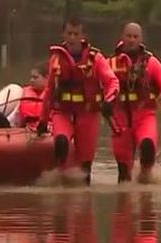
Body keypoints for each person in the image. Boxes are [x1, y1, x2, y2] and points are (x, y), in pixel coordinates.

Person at [37, 16, 119, 185]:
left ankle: (83, 197)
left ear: (83, 35)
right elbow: (49, 91)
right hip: (63, 112)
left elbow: (113, 82)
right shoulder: (56, 59)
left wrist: (110, 100)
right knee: (61, 142)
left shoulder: (96, 59)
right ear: (63, 35)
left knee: (86, 162)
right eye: (69, 33)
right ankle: (60, 182)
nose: (72, 38)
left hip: (88, 114)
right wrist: (43, 120)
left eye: (76, 34)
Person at [108, 22, 161, 183]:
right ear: (122, 37)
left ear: (141, 39)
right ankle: (124, 203)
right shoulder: (110, 64)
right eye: (129, 36)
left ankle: (146, 182)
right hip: (120, 120)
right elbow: (99, 88)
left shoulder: (151, 63)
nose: (132, 40)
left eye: (135, 37)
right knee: (123, 172)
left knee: (147, 146)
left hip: (144, 115)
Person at [16, 63, 49, 130]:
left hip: (48, 130)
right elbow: (17, 118)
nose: (31, 80)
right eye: (31, 77)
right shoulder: (23, 92)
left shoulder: (55, 94)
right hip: (27, 131)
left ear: (47, 77)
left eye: (35, 77)